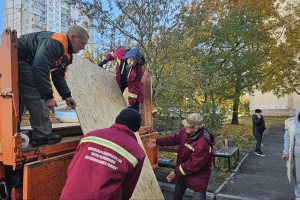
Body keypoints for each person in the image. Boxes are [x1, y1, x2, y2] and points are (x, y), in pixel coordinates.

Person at [17, 25, 89, 146]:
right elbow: (40, 66)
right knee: (37, 95)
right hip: (20, 58)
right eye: (82, 43)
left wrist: (66, 96)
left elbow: (58, 76)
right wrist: (48, 96)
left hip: (24, 61)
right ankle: (42, 136)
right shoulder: (57, 42)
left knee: (22, 98)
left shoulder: (66, 54)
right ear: (72, 37)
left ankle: (12, 131)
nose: (83, 48)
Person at [60, 108, 145, 200]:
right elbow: (127, 190)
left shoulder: (89, 137)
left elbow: (71, 169)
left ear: (117, 120)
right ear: (136, 128)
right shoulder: (137, 152)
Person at [147, 113, 215, 200]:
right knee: (177, 195)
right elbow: (174, 138)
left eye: (188, 126)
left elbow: (193, 164)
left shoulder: (202, 144)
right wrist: (157, 141)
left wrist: (176, 172)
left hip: (199, 175)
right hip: (183, 172)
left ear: (196, 128)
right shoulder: (186, 131)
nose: (185, 127)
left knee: (199, 197)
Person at [98, 47, 145, 112]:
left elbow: (134, 87)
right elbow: (112, 54)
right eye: (131, 60)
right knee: (114, 97)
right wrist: (104, 61)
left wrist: (131, 104)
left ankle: (133, 116)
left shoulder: (138, 71)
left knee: (135, 105)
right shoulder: (120, 54)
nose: (132, 64)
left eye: (134, 62)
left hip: (131, 83)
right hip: (120, 80)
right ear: (127, 57)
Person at [282, 106, 300, 200]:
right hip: (297, 155)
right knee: (298, 178)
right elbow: (287, 139)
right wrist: (285, 152)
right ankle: (298, 196)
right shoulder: (292, 125)